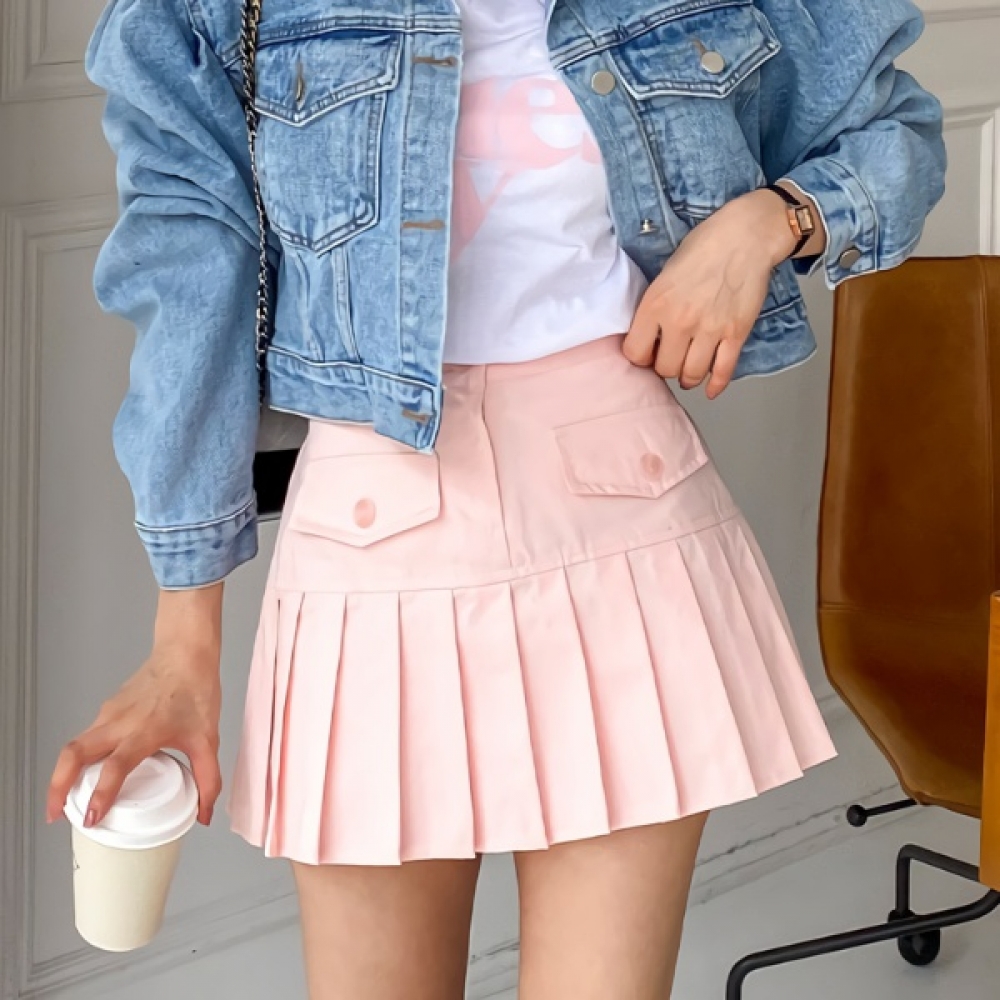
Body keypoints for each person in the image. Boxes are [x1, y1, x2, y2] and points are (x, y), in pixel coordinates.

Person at [47, 0, 945, 996]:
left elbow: (895, 136)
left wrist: (766, 222)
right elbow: (191, 261)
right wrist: (184, 639)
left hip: (630, 535)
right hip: (371, 555)